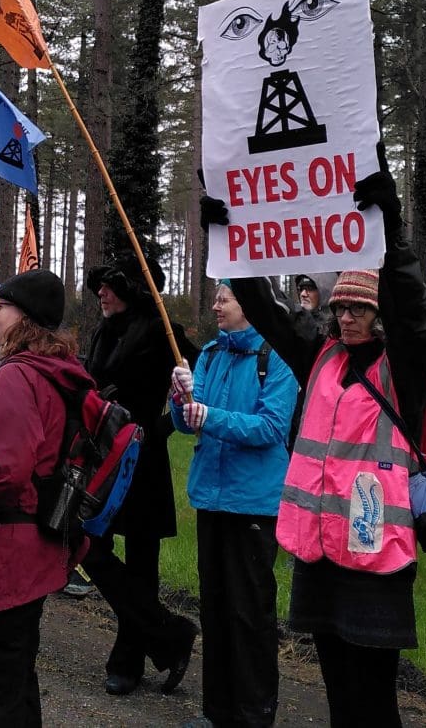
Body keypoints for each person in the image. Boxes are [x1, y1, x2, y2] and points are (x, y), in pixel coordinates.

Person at [214, 152, 426, 728]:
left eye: (359, 309)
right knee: (337, 687)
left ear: (378, 314)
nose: (346, 318)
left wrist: (389, 233)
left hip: (374, 552)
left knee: (373, 696)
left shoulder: (405, 369)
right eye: (340, 307)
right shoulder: (320, 358)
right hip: (320, 548)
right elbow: (264, 313)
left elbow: (413, 313)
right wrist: (228, 242)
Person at [0, 269, 91, 726]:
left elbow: (3, 475)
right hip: (39, 548)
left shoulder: (17, 377)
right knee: (14, 682)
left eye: (2, 305)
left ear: (25, 318)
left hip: (6, 557)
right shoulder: (59, 372)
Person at [170, 282, 298, 728]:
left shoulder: (277, 356)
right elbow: (188, 423)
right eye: (218, 297)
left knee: (250, 614)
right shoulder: (209, 353)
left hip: (254, 505)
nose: (216, 304)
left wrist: (210, 416)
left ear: (251, 305)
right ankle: (216, 712)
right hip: (211, 496)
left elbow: (270, 428)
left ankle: (253, 715)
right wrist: (181, 395)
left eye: (226, 298)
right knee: (215, 608)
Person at [81, 248, 198, 697]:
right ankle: (167, 634)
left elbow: (197, 378)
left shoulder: (161, 330)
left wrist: (162, 427)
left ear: (133, 290)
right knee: (90, 547)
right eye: (100, 287)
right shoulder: (102, 331)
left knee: (142, 559)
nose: (102, 293)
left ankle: (128, 659)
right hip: (102, 459)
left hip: (141, 461)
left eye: (111, 286)